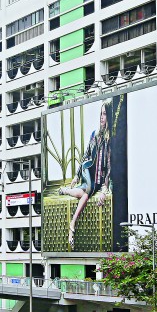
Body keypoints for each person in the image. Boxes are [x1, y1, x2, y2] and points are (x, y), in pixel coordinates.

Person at [58, 99, 113, 250]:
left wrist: (104, 189)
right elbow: (86, 155)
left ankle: (66, 192)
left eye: (104, 114)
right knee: (87, 191)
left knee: (84, 193)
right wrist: (76, 175)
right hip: (89, 173)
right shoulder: (95, 134)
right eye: (100, 114)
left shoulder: (110, 138)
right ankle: (72, 223)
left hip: (99, 178)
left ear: (109, 116)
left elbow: (109, 166)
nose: (102, 117)